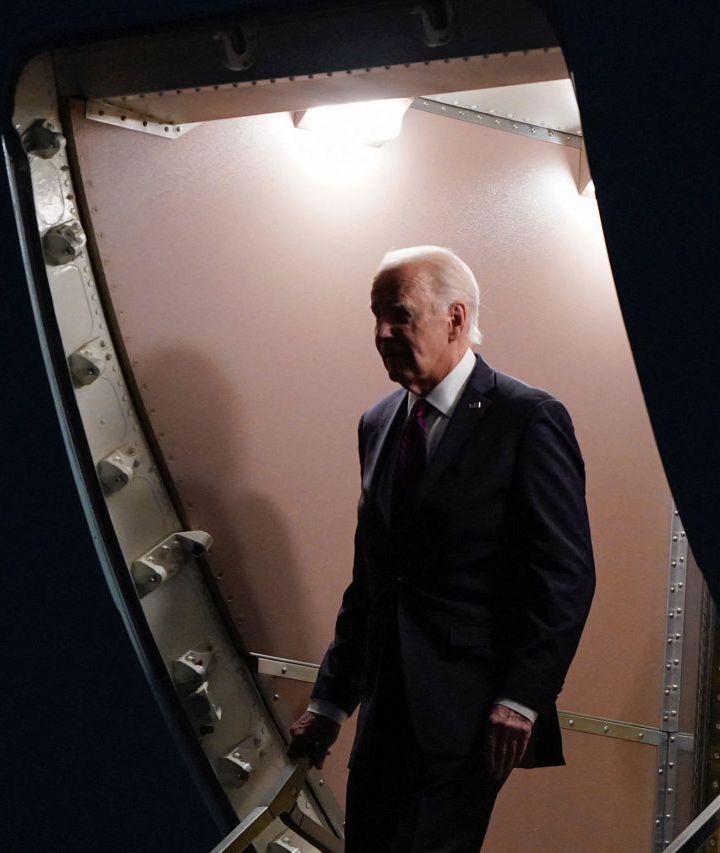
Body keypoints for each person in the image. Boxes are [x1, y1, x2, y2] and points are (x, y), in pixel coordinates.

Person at [287, 246, 596, 852]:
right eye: (376, 315)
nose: (382, 333)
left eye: (399, 315)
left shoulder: (527, 417)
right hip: (383, 716)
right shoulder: (377, 423)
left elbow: (566, 576)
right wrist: (330, 699)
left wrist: (522, 698)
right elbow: (372, 581)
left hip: (469, 717)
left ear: (455, 318)